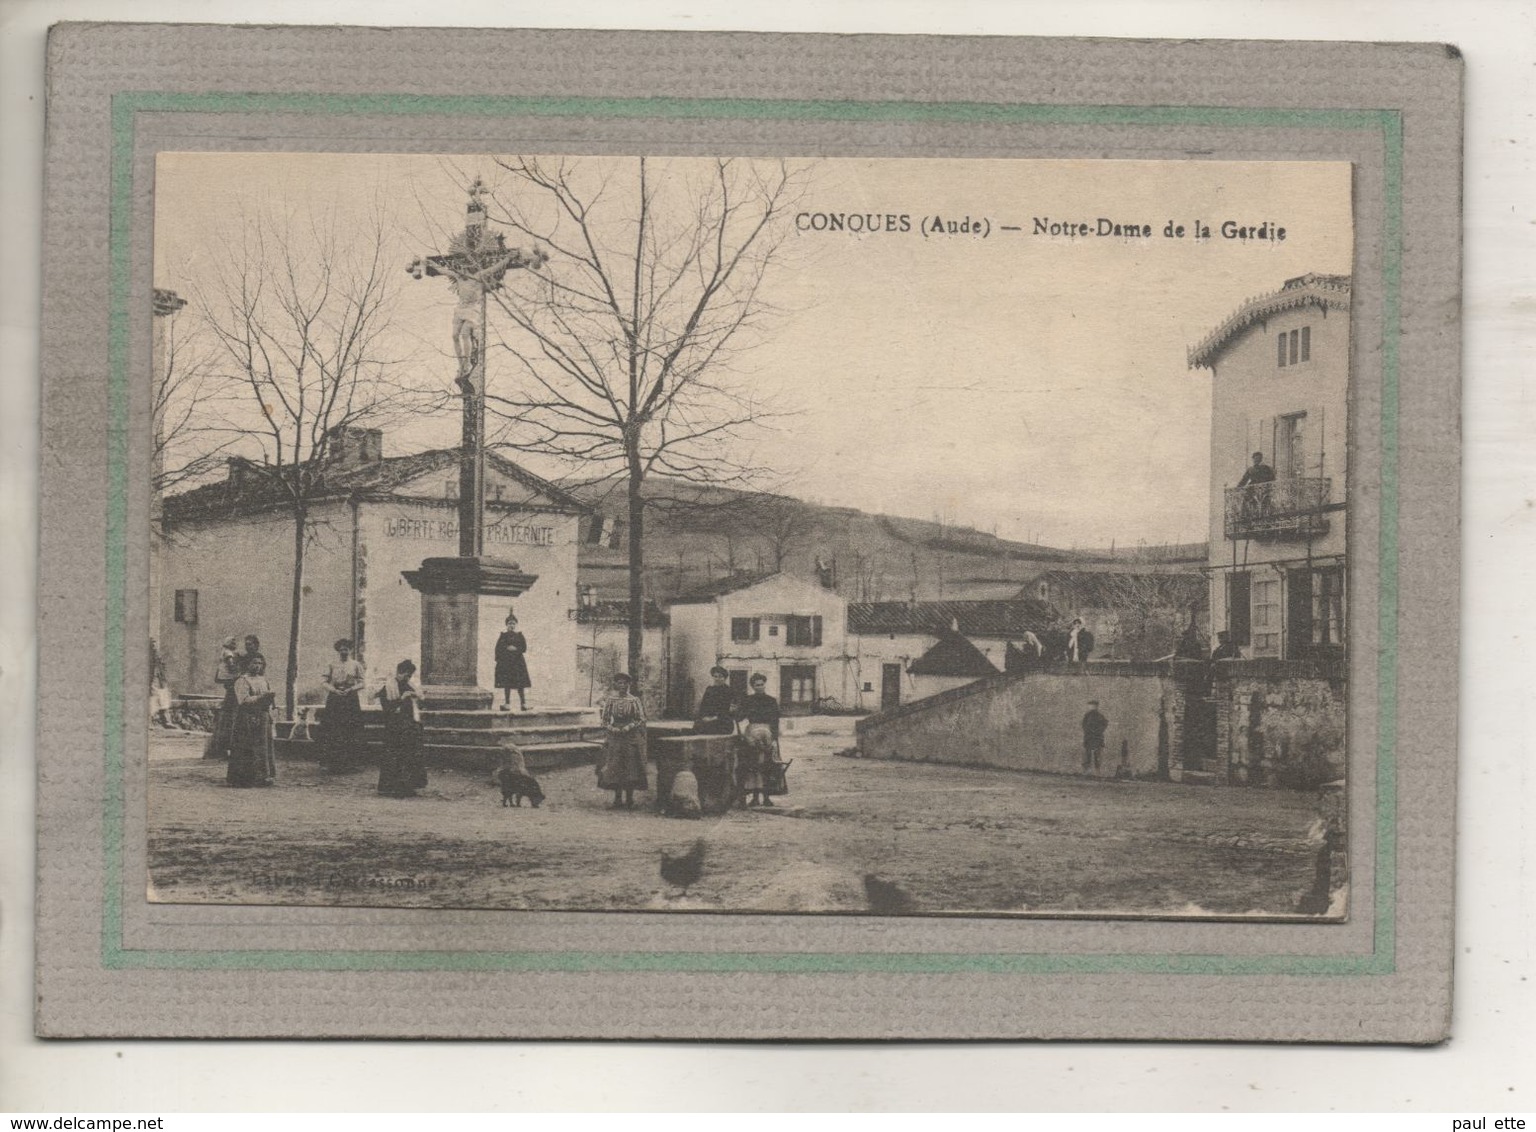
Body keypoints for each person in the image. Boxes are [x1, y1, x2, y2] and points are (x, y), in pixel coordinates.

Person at [596, 673, 647, 810]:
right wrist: (612, 728)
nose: (622, 686)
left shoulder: (634, 700)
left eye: (625, 683)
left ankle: (629, 799)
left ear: (628, 685)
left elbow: (640, 718)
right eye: (619, 683)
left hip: (630, 737)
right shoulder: (611, 700)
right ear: (616, 685)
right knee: (615, 767)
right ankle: (617, 799)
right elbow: (604, 720)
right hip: (615, 737)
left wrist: (628, 727)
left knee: (630, 767)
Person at [376, 660, 426, 798]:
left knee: (409, 756)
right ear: (399, 672)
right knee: (394, 757)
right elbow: (388, 709)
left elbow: (419, 704)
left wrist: (417, 698)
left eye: (410, 675)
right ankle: (391, 787)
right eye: (406, 674)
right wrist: (403, 698)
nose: (407, 678)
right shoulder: (388, 687)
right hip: (394, 728)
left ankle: (408, 786)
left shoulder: (410, 685)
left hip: (409, 726)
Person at [227, 655, 276, 787]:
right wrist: (261, 697)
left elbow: (269, 700)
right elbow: (243, 700)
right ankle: (246, 777)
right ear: (248, 664)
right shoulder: (242, 681)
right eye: (254, 663)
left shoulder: (263, 680)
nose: (257, 666)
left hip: (263, 716)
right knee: (248, 746)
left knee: (263, 747)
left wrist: (269, 704)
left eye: (260, 663)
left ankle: (263, 776)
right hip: (247, 717)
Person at [319, 638, 366, 772]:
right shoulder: (332, 664)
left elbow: (363, 682)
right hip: (335, 699)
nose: (344, 651)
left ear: (350, 650)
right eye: (341, 649)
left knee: (350, 729)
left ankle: (350, 763)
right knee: (334, 729)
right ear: (338, 651)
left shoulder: (356, 665)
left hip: (350, 699)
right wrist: (334, 690)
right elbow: (323, 681)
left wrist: (351, 689)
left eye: (346, 649)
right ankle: (333, 763)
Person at [736, 672, 781, 807]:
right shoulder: (747, 700)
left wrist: (774, 738)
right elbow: (739, 718)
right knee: (753, 766)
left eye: (761, 684)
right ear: (752, 686)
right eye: (756, 685)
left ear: (764, 684)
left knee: (767, 765)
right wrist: (734, 710)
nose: (759, 687)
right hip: (752, 734)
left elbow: (775, 720)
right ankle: (755, 798)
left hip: (767, 734)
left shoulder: (771, 701)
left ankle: (766, 797)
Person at [203, 636, 242, 759]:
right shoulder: (228, 653)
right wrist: (237, 671)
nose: (234, 644)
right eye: (232, 642)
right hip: (230, 678)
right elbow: (230, 665)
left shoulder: (229, 653)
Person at [494, 613, 531, 711]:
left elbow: (524, 648)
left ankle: (523, 703)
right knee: (507, 684)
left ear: (516, 625)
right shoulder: (503, 636)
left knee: (520, 684)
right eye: (510, 623)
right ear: (506, 625)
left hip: (518, 664)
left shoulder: (519, 635)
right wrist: (506, 648)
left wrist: (515, 648)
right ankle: (507, 703)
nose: (512, 625)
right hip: (507, 664)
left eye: (513, 624)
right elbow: (498, 649)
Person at [692, 666, 737, 735]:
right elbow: (703, 706)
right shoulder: (709, 690)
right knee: (698, 725)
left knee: (708, 728)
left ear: (725, 678)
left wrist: (715, 717)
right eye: (715, 676)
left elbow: (728, 710)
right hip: (708, 719)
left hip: (723, 721)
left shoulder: (729, 691)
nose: (717, 679)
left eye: (720, 676)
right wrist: (704, 717)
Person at [1237, 451, 1276, 521]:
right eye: (1255, 458)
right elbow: (1244, 479)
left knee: (1263, 502)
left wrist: (1269, 487)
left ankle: (1263, 515)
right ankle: (1246, 515)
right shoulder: (1250, 469)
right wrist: (1238, 487)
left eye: (1258, 458)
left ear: (1261, 459)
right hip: (1253, 488)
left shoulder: (1266, 468)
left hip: (1263, 488)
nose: (1256, 460)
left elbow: (1272, 478)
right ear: (1253, 459)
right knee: (1248, 499)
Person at [1081, 699, 1109, 774]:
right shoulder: (1087, 716)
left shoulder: (1099, 716)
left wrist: (1098, 731)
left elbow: (1104, 724)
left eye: (1093, 706)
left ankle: (1097, 771)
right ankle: (1088, 770)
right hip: (1090, 737)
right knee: (1088, 754)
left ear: (1096, 706)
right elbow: (1084, 726)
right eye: (1091, 706)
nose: (1092, 707)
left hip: (1096, 737)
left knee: (1097, 754)